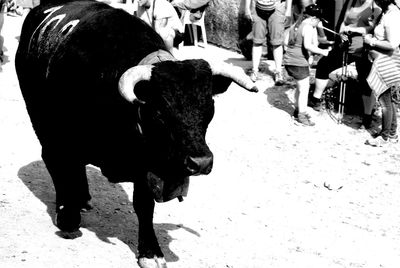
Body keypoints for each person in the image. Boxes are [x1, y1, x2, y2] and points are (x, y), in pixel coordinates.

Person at [310, 0, 381, 129]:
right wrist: (342, 31)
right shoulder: (351, 1)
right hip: (345, 46)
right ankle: (316, 100)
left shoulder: (374, 5)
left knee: (366, 81)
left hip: (363, 49)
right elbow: (344, 21)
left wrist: (354, 30)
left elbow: (373, 26)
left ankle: (367, 116)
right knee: (323, 65)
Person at [283, 4, 331, 126]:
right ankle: (302, 116)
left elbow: (285, 42)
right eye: (319, 21)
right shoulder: (308, 27)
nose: (319, 23)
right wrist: (323, 52)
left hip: (290, 60)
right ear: (314, 18)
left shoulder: (297, 24)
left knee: (300, 87)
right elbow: (308, 46)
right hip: (298, 62)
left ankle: (298, 110)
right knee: (304, 89)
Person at [364, 0, 400, 146]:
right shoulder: (387, 13)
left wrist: (371, 41)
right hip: (382, 60)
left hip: (387, 61)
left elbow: (392, 44)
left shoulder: (393, 16)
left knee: (384, 100)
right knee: (387, 99)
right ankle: (392, 134)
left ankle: (384, 137)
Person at [243, 0, 292, 85]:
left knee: (277, 42)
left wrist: (288, 9)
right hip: (257, 6)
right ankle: (254, 70)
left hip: (277, 6)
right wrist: (247, 8)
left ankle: (278, 72)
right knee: (257, 41)